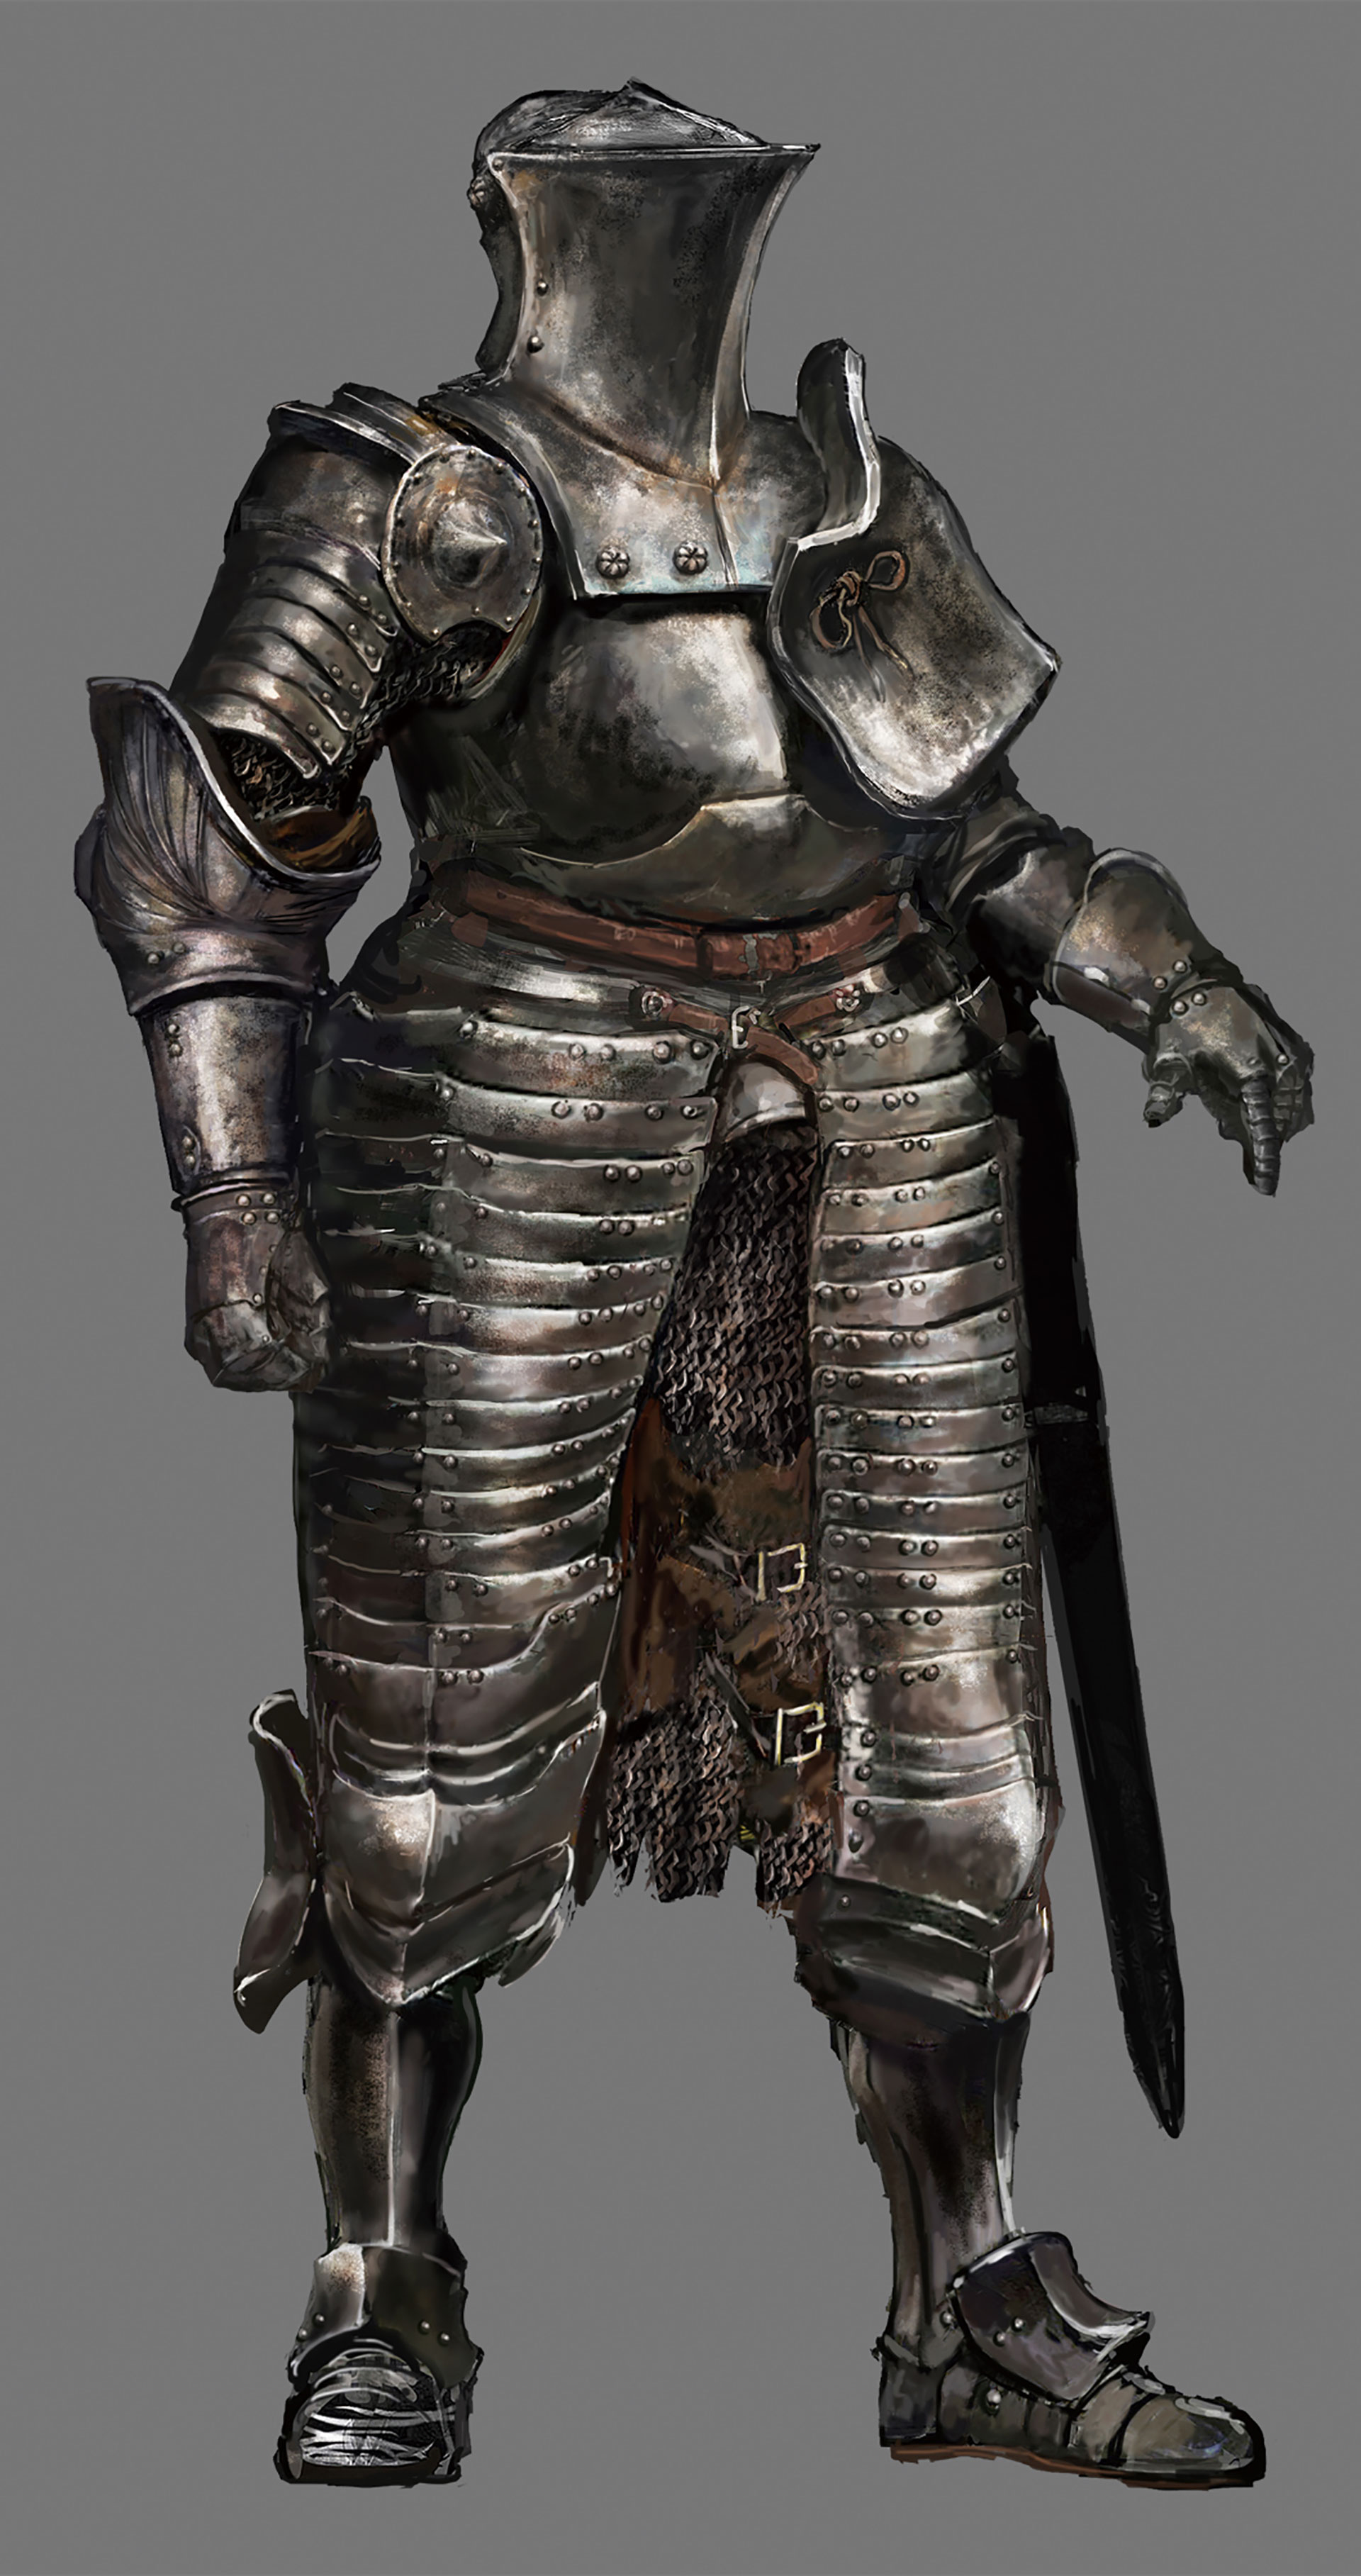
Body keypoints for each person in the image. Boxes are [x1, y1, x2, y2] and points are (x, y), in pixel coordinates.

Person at [77, 81, 1310, 2488]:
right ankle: (380, 2287)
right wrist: (233, 1198)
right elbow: (210, 857)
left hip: (885, 1097)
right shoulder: (412, 494)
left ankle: (963, 2302)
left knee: (949, 1747)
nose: (692, 218)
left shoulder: (846, 492)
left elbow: (971, 832)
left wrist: (1167, 977)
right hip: (507, 1109)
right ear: (526, 215)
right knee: (431, 1760)